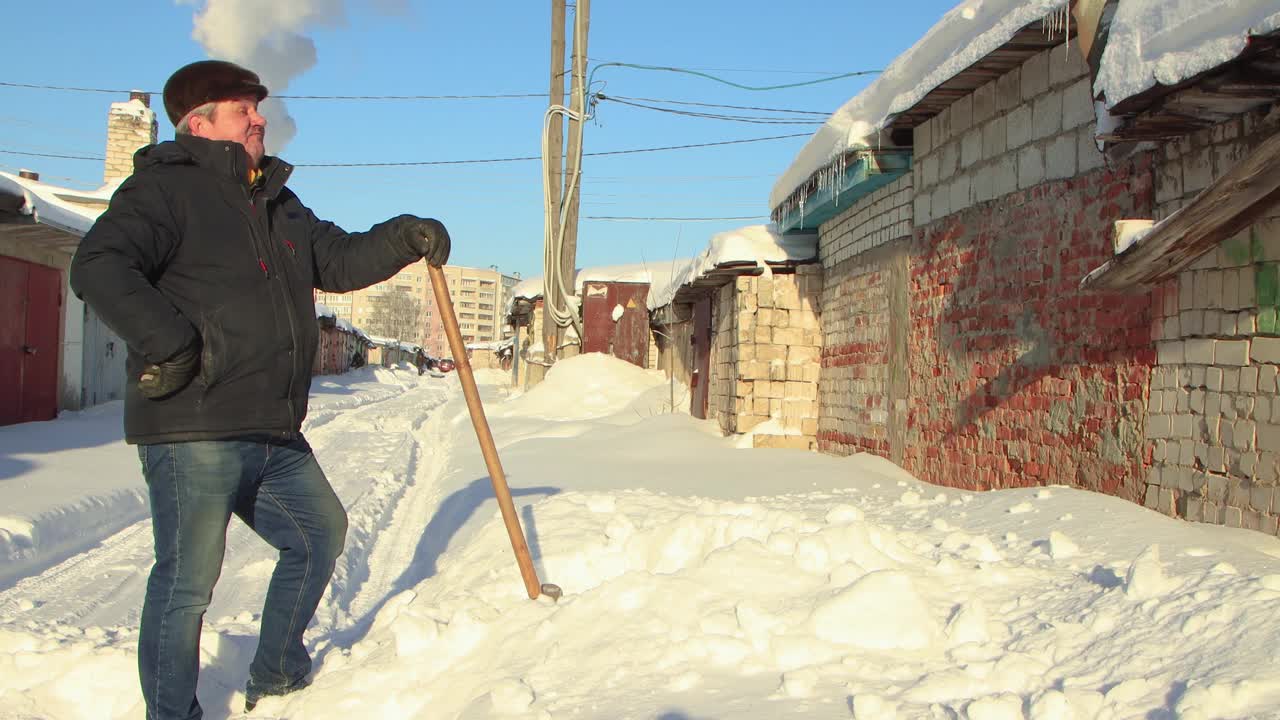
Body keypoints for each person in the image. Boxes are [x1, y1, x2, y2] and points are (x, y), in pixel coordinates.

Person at [69, 59, 451, 720]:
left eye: (258, 107)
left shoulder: (276, 200)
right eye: (243, 108)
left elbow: (337, 258)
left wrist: (405, 235)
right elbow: (99, 266)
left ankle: (276, 676)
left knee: (317, 534)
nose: (259, 118)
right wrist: (174, 345)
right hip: (196, 423)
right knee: (186, 584)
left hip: (271, 426)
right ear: (199, 122)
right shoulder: (164, 191)